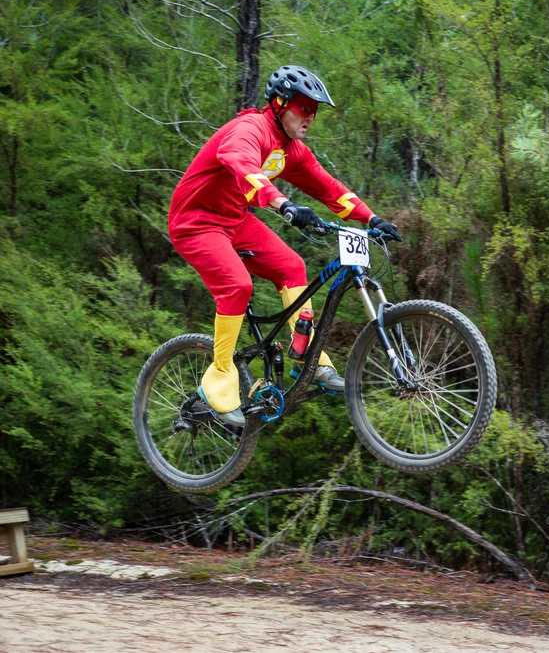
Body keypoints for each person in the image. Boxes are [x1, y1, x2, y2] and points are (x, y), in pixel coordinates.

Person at [167, 65, 401, 427]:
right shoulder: (249, 129)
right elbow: (241, 163)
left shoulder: (291, 149)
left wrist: (371, 219)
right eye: (305, 107)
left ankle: (309, 360)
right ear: (280, 103)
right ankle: (219, 377)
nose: (311, 116)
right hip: (195, 220)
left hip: (234, 219)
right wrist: (283, 203)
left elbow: (329, 188)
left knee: (292, 267)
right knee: (237, 285)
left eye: (315, 110)